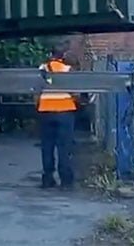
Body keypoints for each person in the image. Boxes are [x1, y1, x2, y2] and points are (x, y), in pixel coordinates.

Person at [36, 47, 79, 190]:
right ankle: (66, 181)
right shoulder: (68, 70)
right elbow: (75, 93)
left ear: (50, 54)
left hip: (45, 111)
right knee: (64, 147)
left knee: (47, 147)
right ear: (63, 55)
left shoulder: (42, 69)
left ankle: (47, 179)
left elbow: (35, 90)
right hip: (65, 112)